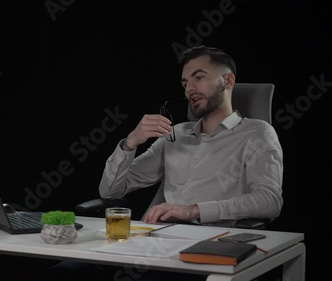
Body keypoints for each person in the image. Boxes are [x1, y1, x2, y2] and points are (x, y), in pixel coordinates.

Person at [41, 45, 284, 281]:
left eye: (199, 77)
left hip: (204, 247)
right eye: (185, 83)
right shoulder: (174, 134)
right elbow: (110, 190)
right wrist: (131, 142)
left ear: (228, 80)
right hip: (149, 242)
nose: (190, 89)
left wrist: (194, 209)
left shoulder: (257, 133)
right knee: (66, 272)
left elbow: (269, 201)